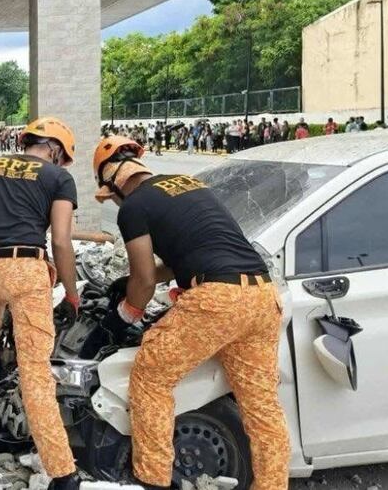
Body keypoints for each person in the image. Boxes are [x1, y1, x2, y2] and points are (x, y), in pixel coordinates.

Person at [82, 137, 289, 490]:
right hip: (261, 296)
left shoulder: (134, 207)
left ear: (114, 180)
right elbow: (187, 253)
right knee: (261, 409)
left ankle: (153, 480)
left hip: (217, 301)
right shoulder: (189, 185)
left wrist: (123, 315)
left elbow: (145, 283)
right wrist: (127, 280)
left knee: (150, 375)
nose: (114, 202)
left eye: (111, 194)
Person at [0, 117, 82, 490]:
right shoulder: (58, 178)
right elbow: (60, 241)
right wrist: (71, 293)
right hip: (25, 268)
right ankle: (63, 472)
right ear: (56, 149)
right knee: (35, 369)